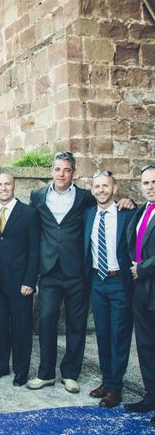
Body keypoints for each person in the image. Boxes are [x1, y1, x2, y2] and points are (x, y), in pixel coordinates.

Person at [27, 152, 134, 393]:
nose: (61, 174)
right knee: (46, 321)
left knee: (76, 324)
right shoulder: (38, 196)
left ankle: (70, 373)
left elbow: (109, 208)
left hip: (77, 272)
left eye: (66, 170)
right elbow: (30, 227)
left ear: (73, 172)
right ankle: (46, 373)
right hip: (49, 270)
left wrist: (128, 202)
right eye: (57, 169)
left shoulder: (86, 198)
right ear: (52, 171)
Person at [84, 171, 134, 408]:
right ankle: (107, 380)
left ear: (115, 189)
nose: (101, 190)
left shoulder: (127, 213)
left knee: (118, 335)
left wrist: (133, 202)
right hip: (97, 280)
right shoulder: (89, 215)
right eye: (97, 186)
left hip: (119, 282)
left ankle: (116, 387)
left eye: (106, 186)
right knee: (102, 334)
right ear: (92, 190)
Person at [0, 173, 39, 386]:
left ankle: (21, 371)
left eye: (7, 184)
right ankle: (0, 366)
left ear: (14, 185)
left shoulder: (28, 213)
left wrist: (30, 281)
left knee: (21, 327)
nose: (3, 188)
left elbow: (35, 249)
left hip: (20, 281)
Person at [126, 164, 155, 426]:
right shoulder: (142, 211)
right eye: (146, 182)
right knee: (145, 345)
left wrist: (142, 269)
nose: (150, 186)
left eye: (154, 182)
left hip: (150, 280)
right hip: (141, 290)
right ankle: (151, 396)